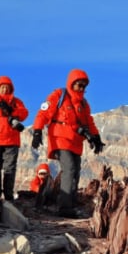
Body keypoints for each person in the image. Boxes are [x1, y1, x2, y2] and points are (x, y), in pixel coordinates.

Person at [30, 68, 104, 217]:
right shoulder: (58, 96)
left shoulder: (83, 104)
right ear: (71, 84)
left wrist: (96, 138)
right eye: (79, 85)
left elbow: (89, 122)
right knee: (69, 169)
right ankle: (64, 208)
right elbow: (43, 114)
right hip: (60, 140)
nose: (82, 89)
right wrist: (37, 131)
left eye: (84, 86)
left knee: (75, 172)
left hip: (76, 143)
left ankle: (71, 204)